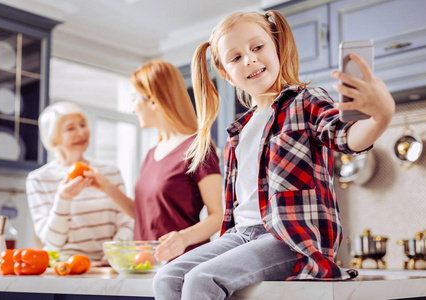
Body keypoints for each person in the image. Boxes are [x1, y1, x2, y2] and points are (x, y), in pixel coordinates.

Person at [153, 10, 395, 299]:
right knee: (166, 278)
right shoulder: (237, 132)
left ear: (276, 47)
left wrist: (380, 117)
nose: (250, 59)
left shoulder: (305, 101)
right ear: (225, 74)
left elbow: (346, 136)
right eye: (236, 57)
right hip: (240, 237)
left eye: (257, 47)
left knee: (202, 280)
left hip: (290, 239)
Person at [120, 59, 223, 262]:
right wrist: (104, 186)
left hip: (185, 265)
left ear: (153, 100)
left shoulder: (198, 148)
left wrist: (183, 238)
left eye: (135, 99)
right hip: (146, 265)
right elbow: (141, 213)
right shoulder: (151, 153)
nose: (133, 108)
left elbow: (217, 216)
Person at [25, 101, 134, 262]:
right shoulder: (38, 179)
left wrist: (111, 256)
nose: (81, 133)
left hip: (108, 265)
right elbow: (53, 242)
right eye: (71, 128)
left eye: (83, 125)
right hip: (65, 267)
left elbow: (127, 222)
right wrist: (63, 199)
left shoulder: (110, 172)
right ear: (53, 138)